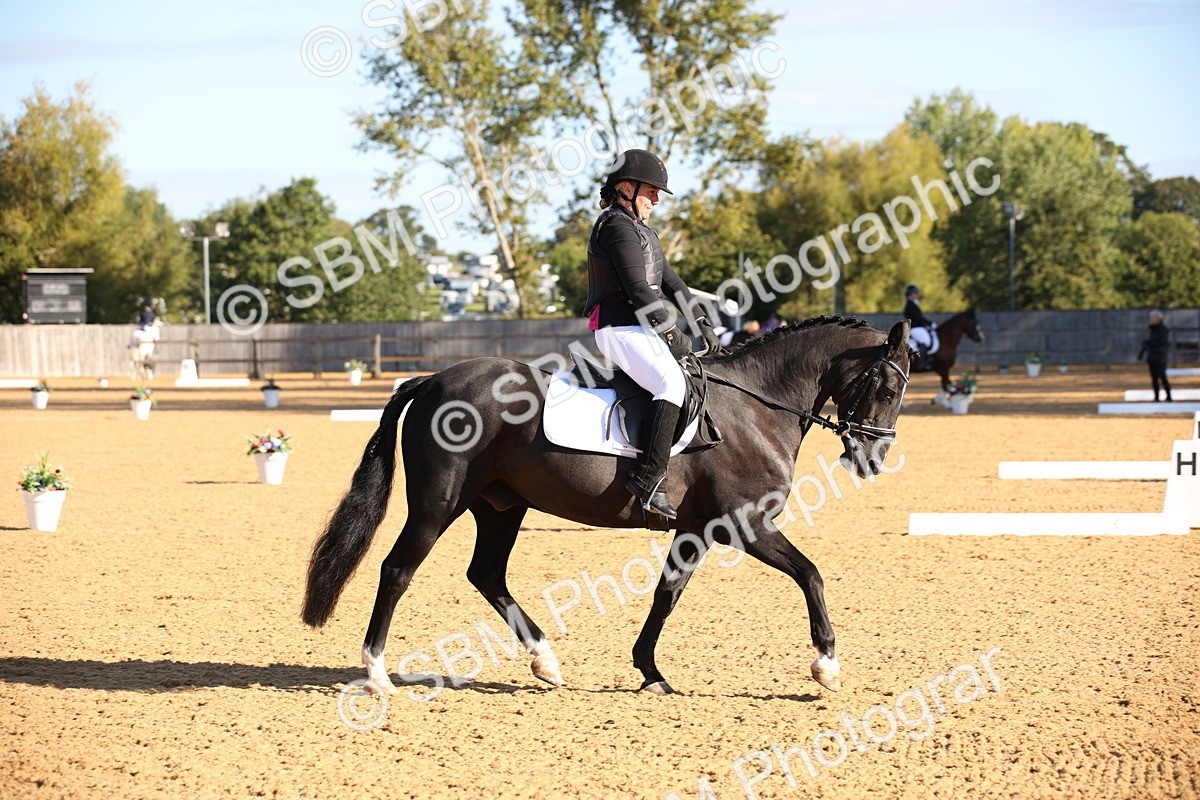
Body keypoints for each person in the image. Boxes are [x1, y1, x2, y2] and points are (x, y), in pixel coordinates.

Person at [583, 149, 720, 519]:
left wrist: (701, 322)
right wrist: (673, 332)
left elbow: (671, 283)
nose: (657, 200)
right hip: (620, 329)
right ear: (627, 189)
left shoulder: (642, 231)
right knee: (670, 385)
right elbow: (638, 289)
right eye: (652, 192)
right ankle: (648, 480)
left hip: (640, 329)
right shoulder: (615, 226)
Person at [1138, 310, 1172, 402]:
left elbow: (1162, 342)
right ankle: (1156, 397)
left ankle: (1169, 396)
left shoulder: (1163, 329)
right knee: (1154, 378)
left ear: (1159, 318)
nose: (1151, 319)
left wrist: (1149, 343)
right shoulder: (1152, 329)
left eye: (1153, 317)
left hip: (1160, 357)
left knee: (1162, 376)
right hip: (1152, 356)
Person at [904, 285, 935, 365]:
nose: (917, 295)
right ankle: (922, 363)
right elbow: (918, 317)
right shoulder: (910, 305)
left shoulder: (912, 304)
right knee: (925, 341)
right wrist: (930, 323)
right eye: (915, 293)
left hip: (918, 327)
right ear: (911, 294)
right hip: (916, 328)